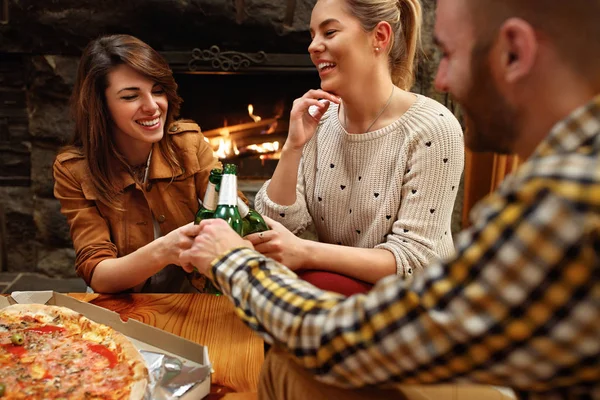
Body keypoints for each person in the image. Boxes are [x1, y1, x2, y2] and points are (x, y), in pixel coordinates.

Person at [179, 0, 600, 398]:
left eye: (450, 54)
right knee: (287, 368)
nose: (442, 81)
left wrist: (231, 261)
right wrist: (291, 149)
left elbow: (366, 337)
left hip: (409, 335)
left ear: (514, 53)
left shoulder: (566, 198)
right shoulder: (569, 170)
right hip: (409, 330)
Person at [248, 0, 465, 291]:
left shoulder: (433, 128)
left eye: (329, 32)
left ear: (380, 37)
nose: (313, 46)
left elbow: (415, 260)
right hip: (335, 298)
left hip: (413, 310)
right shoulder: (320, 121)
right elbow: (276, 227)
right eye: (312, 35)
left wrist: (305, 253)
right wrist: (292, 147)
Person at [53, 34, 221, 293]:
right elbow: (98, 273)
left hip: (191, 299)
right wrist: (166, 248)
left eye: (157, 91)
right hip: (119, 301)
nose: (153, 107)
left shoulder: (189, 142)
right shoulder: (73, 169)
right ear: (101, 106)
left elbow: (235, 215)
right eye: (131, 96)